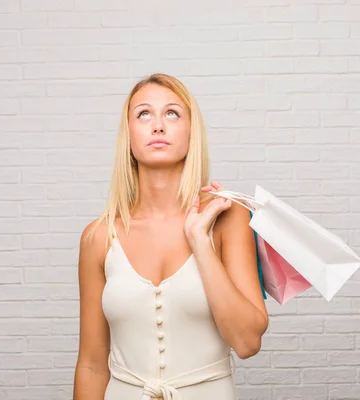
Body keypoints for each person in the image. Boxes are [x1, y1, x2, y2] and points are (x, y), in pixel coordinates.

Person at [73, 73, 269, 400]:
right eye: (144, 114)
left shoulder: (228, 216)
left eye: (173, 113)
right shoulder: (98, 237)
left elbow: (248, 342)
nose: (158, 125)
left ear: (192, 132)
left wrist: (200, 242)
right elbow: (92, 365)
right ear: (129, 136)